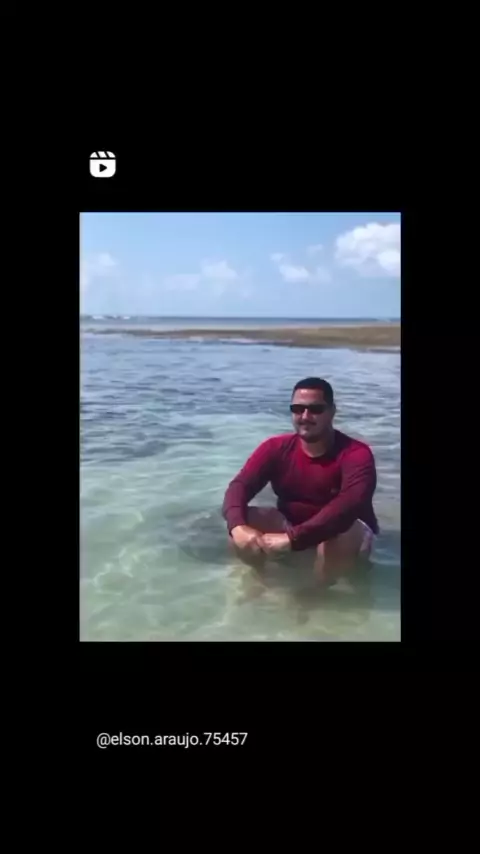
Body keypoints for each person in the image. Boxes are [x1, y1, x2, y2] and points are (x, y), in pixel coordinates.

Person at [222, 377, 378, 585]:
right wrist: (237, 526)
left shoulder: (356, 453)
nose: (305, 416)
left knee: (344, 531)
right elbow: (239, 487)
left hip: (342, 534)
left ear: (332, 411)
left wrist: (293, 539)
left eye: (315, 409)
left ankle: (319, 593)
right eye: (297, 409)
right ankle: (260, 582)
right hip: (293, 527)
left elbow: (348, 507)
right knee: (243, 522)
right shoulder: (275, 448)